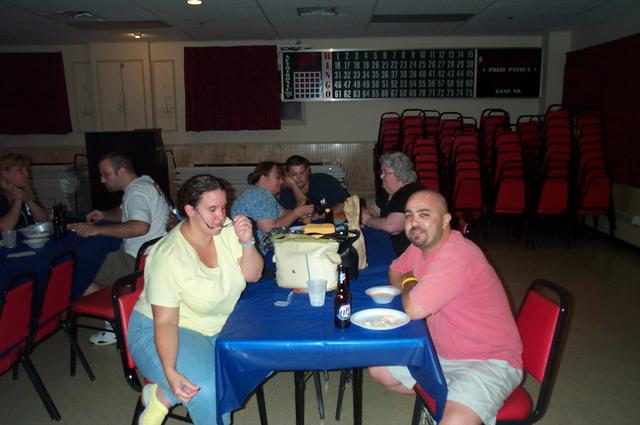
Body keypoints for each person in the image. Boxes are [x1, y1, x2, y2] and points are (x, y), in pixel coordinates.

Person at [368, 190, 523, 425]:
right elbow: (395, 270)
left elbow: (413, 309)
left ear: (445, 220)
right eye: (409, 216)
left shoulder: (457, 255)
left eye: (424, 215)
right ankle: (451, 395)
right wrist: (411, 284)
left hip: (487, 361)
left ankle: (457, 401)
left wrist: (410, 283)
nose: (414, 223)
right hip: (441, 352)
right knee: (379, 370)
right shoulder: (421, 245)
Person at [127, 174, 262, 425]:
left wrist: (247, 243)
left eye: (223, 207)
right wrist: (170, 372)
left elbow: (252, 275)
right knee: (210, 391)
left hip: (216, 327)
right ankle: (172, 391)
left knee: (263, 355)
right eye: (212, 209)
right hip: (163, 330)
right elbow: (165, 322)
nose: (221, 216)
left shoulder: (225, 229)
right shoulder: (169, 255)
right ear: (189, 210)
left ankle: (161, 396)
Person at [68, 152, 169, 345]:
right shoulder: (145, 182)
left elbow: (140, 226)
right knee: (96, 258)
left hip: (137, 263)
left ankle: (115, 322)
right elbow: (125, 211)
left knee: (76, 272)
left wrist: (97, 230)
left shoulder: (136, 192)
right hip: (153, 257)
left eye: (105, 174)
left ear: (121, 170)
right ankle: (125, 308)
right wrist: (105, 215)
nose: (102, 179)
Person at [231, 161, 313, 255]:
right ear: (263, 178)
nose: (281, 181)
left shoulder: (257, 192)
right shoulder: (260, 195)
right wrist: (296, 213)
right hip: (259, 253)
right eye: (277, 177)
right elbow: (270, 230)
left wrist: (300, 212)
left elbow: (282, 213)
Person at [361, 152, 423, 255]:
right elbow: (375, 209)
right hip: (388, 244)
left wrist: (368, 220)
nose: (381, 176)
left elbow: (392, 227)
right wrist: (364, 214)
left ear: (399, 174)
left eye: (385, 172)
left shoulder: (412, 193)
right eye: (381, 172)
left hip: (407, 253)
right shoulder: (389, 191)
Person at [279, 155, 348, 221]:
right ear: (287, 174)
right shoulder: (286, 191)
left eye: (302, 173)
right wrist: (294, 186)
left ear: (307, 171)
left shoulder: (325, 181)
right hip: (299, 227)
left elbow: (345, 204)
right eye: (294, 174)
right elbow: (296, 213)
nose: (299, 178)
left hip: (330, 224)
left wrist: (319, 215)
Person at [0, 153, 48, 231]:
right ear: (4, 174)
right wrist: (18, 200)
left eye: (27, 170)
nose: (27, 174)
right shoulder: (1, 196)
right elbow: (5, 228)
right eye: (20, 170)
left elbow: (43, 219)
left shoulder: (25, 191)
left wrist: (28, 200)